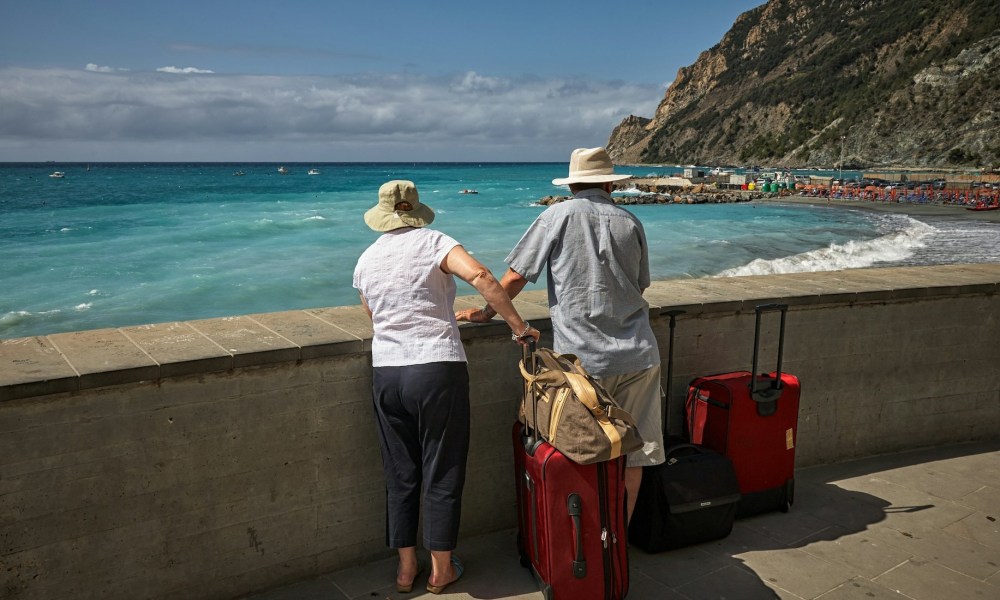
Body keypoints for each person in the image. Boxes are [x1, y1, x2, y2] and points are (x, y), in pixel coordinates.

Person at [456, 147, 665, 523]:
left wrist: (487, 312)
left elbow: (517, 275)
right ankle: (617, 540)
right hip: (639, 354)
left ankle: (587, 545)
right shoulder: (630, 221)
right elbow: (640, 286)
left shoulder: (557, 215)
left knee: (583, 451)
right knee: (638, 453)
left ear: (571, 185)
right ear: (609, 183)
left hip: (583, 362)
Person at [353, 179, 540, 595]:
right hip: (436, 368)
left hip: (387, 372)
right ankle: (440, 569)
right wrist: (519, 327)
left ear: (382, 216)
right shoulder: (435, 242)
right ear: (416, 211)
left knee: (400, 472)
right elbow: (482, 275)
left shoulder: (366, 260)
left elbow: (375, 316)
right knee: (442, 468)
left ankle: (405, 569)